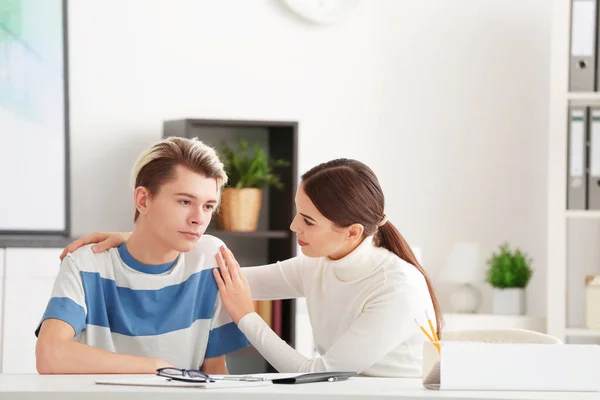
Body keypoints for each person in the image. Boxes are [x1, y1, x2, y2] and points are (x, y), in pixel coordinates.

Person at [61, 158, 442, 378]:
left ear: (353, 232)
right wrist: (142, 237)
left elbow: (318, 374)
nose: (294, 227)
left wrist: (246, 316)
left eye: (308, 221)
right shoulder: (322, 262)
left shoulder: (397, 289)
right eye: (297, 212)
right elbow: (222, 277)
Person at [35, 137, 250, 374]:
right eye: (185, 201)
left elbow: (216, 374)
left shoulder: (209, 260)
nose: (198, 218)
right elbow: (50, 355)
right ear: (143, 200)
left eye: (208, 206)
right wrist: (158, 368)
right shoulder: (87, 263)